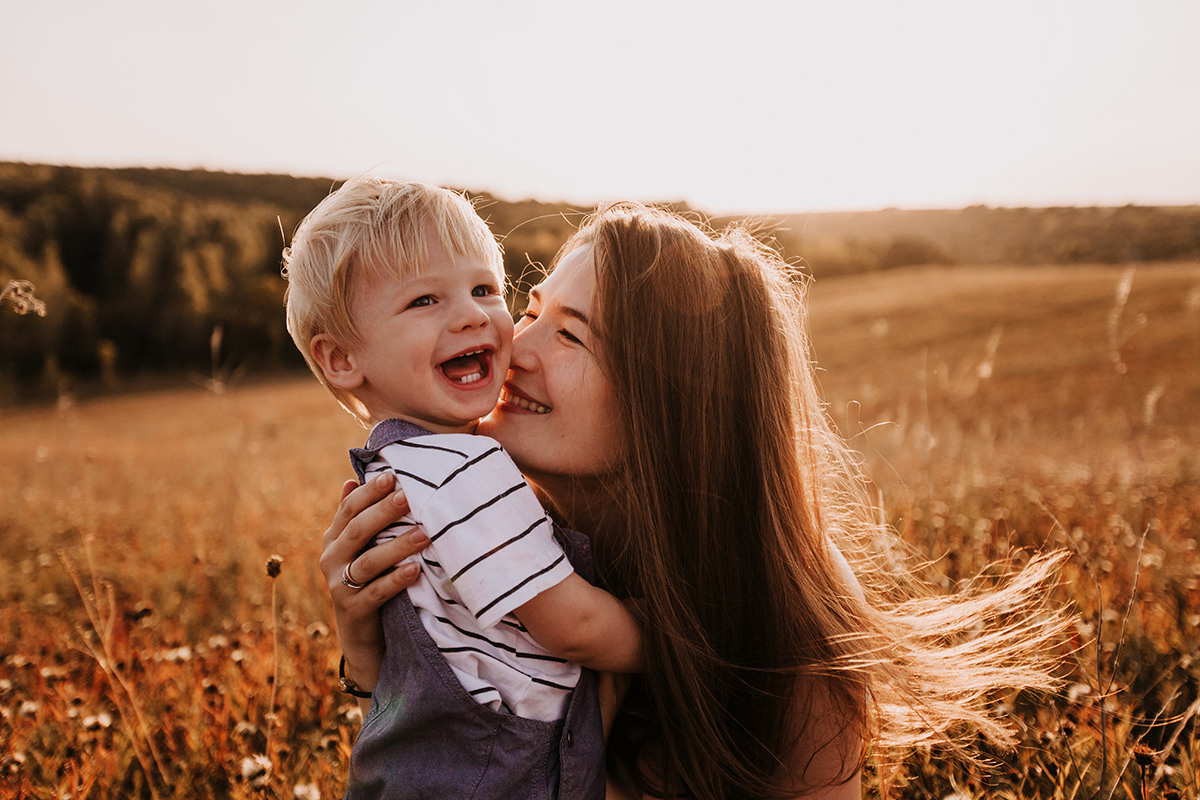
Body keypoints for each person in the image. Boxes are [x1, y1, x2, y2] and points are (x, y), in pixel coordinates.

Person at [321, 202, 1066, 799]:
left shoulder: (783, 621)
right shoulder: (500, 524)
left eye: (571, 336)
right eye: (531, 310)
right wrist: (370, 648)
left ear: (669, 401)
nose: (513, 346)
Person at [285, 177, 642, 800]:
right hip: (491, 769)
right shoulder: (459, 470)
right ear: (342, 359)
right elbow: (572, 624)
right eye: (424, 300)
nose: (473, 314)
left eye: (484, 289)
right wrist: (678, 645)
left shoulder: (405, 464)